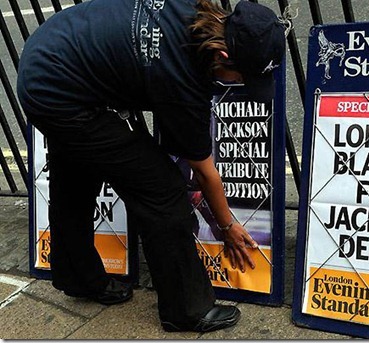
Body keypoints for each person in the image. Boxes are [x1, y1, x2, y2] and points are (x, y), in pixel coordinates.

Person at [17, 0, 286, 333]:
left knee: (75, 176)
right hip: (61, 93)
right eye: (244, 77)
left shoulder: (192, 12)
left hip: (49, 53)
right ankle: (186, 310)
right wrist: (228, 226)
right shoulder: (181, 77)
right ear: (223, 57)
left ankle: (80, 279)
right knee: (163, 191)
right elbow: (204, 172)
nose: (242, 84)